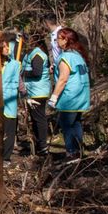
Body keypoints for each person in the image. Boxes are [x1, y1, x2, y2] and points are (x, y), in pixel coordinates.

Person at [48, 28, 91, 158]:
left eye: (58, 39)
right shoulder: (78, 55)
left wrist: (54, 97)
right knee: (76, 123)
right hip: (81, 96)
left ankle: (71, 152)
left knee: (66, 126)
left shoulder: (65, 57)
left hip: (69, 98)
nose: (56, 42)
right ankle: (78, 150)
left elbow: (63, 79)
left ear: (65, 40)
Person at [21, 28, 53, 157]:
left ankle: (43, 146)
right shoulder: (31, 53)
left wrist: (22, 73)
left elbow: (37, 72)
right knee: (35, 119)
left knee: (39, 118)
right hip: (33, 90)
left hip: (38, 92)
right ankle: (39, 144)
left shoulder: (38, 55)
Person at [0, 31, 26, 158]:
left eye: (8, 46)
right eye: (4, 47)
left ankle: (6, 156)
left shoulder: (14, 64)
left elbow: (19, 81)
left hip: (10, 101)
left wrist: (24, 94)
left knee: (9, 129)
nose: (7, 49)